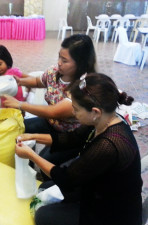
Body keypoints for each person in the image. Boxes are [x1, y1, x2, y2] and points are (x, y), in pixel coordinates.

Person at [16, 73, 143, 225]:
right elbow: (71, 138)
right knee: (45, 187)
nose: (73, 114)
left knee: (42, 215)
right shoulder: (105, 120)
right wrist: (33, 137)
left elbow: (67, 179)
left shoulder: (108, 145)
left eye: (75, 109)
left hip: (112, 213)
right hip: (98, 189)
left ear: (95, 112)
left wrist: (31, 155)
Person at [3, 34, 97, 165]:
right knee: (20, 127)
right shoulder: (54, 72)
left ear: (81, 64)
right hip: (51, 123)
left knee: (44, 161)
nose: (59, 62)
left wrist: (19, 104)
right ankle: (28, 154)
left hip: (69, 135)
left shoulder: (83, 86)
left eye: (64, 60)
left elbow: (53, 112)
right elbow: (38, 81)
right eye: (59, 57)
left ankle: (68, 158)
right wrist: (20, 81)